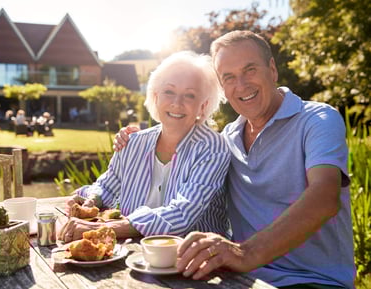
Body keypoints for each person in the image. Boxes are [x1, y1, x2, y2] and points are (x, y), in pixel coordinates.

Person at [113, 31, 355, 289]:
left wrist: (244, 253)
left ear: (272, 69)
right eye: (229, 77)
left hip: (311, 281)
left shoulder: (317, 119)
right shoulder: (227, 139)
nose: (241, 85)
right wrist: (137, 141)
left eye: (249, 70)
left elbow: (324, 197)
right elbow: (183, 173)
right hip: (236, 278)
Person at [58, 51, 231, 243]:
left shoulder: (213, 148)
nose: (177, 103)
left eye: (190, 95)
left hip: (195, 259)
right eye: (169, 91)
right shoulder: (133, 142)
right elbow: (106, 186)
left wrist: (100, 228)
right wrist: (90, 201)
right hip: (131, 253)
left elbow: (182, 215)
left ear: (203, 106)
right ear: (155, 96)